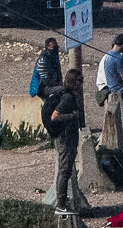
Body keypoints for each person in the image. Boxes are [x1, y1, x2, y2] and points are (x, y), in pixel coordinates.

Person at [45, 67, 86, 212]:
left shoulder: (67, 95)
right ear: (74, 82)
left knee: (66, 170)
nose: (82, 84)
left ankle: (62, 202)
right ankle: (61, 204)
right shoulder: (67, 98)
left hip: (66, 137)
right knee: (64, 170)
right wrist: (73, 116)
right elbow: (55, 116)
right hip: (65, 138)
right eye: (80, 81)